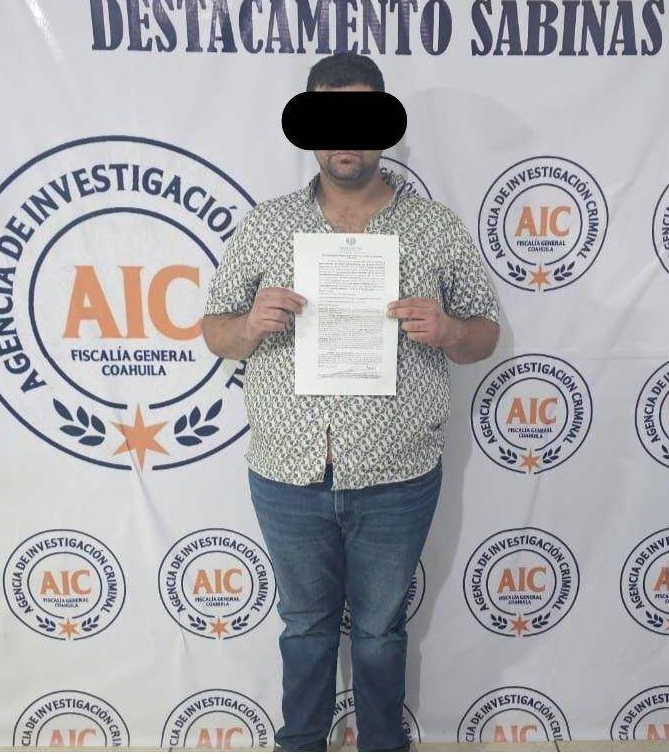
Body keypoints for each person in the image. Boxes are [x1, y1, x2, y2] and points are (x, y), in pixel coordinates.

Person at [200, 52, 501, 752]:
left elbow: (483, 333)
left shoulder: (434, 227)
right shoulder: (267, 225)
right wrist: (249, 325)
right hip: (286, 472)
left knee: (379, 631)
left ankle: (381, 745)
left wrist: (448, 330)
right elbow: (214, 329)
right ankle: (302, 743)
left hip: (398, 475)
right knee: (304, 626)